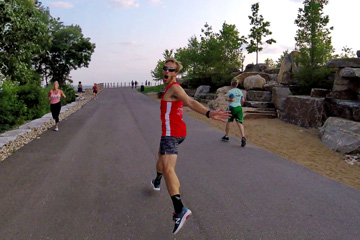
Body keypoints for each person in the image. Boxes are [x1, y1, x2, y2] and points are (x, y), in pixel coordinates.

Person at [150, 58, 230, 234]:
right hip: (173, 133)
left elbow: (190, 102)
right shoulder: (169, 88)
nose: (167, 72)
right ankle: (157, 180)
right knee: (160, 157)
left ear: (176, 74)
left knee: (168, 168)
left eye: (171, 70)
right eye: (165, 69)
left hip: (172, 134)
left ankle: (180, 210)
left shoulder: (175, 88)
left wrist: (209, 114)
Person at [221, 79, 246, 147]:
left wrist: (227, 99)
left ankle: (226, 136)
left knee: (229, 121)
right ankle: (243, 137)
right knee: (239, 123)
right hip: (239, 108)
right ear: (237, 84)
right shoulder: (240, 91)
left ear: (231, 84)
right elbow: (243, 100)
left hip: (232, 107)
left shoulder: (231, 91)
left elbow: (232, 99)